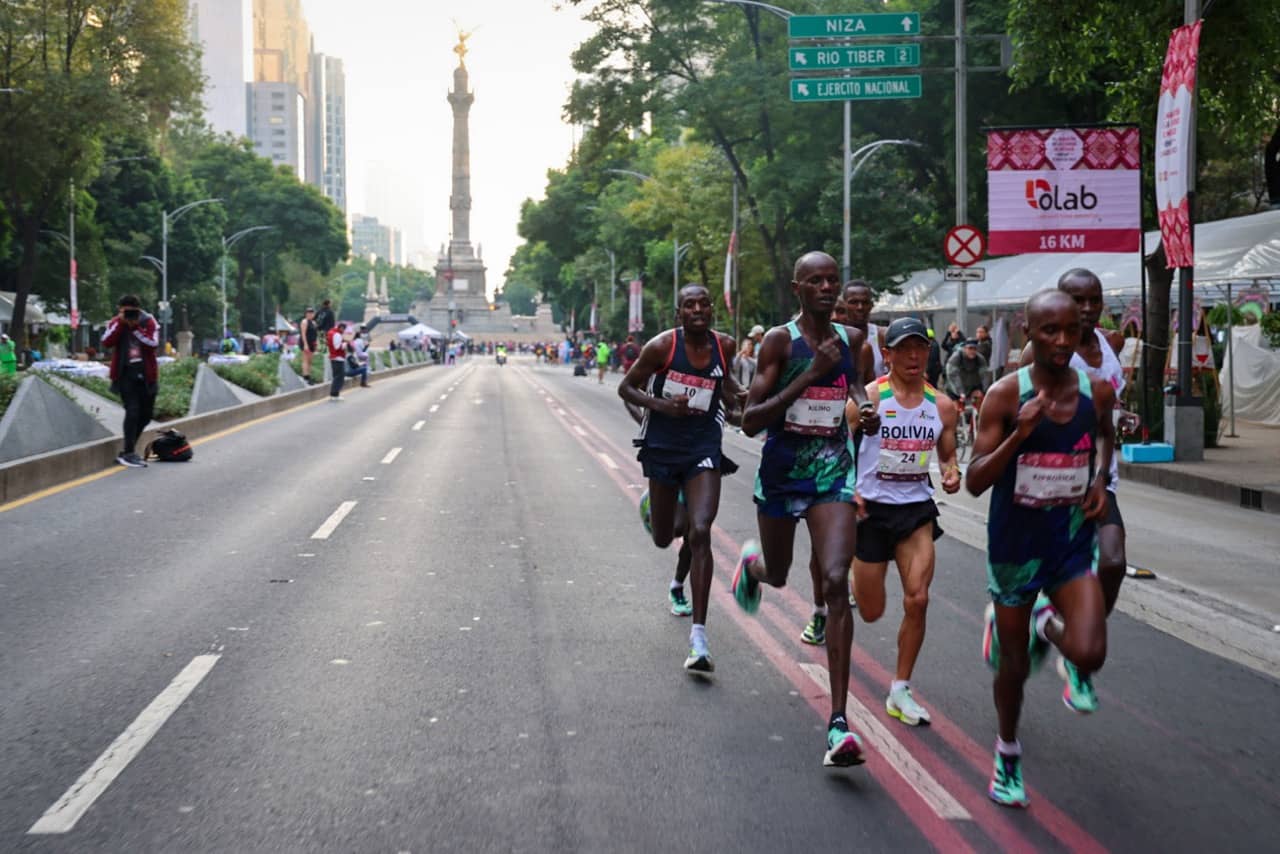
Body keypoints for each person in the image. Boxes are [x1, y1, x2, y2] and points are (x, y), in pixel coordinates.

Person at [965, 289, 1115, 808]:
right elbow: (975, 480)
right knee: (1014, 667)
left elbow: (1103, 437)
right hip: (1015, 547)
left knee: (1089, 651)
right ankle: (1007, 750)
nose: (1060, 341)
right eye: (1048, 331)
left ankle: (1043, 624)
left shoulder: (1097, 391)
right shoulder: (1006, 396)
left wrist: (1098, 480)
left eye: (1070, 331)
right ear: (1028, 332)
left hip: (1070, 541)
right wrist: (1019, 435)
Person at [732, 251, 878, 767]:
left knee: (836, 580)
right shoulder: (779, 341)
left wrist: (867, 405)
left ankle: (839, 722)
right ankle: (754, 567)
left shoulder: (854, 340)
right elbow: (751, 420)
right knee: (778, 574)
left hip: (831, 471)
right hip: (782, 468)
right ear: (797, 288)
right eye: (814, 280)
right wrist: (808, 375)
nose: (824, 287)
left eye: (831, 280)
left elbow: (856, 385)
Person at [1019, 268, 1137, 713]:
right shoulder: (1039, 348)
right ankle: (1051, 628)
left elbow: (1108, 410)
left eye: (1094, 300)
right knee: (1038, 577)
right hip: (1049, 484)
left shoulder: (1112, 343)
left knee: (1113, 562)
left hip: (1096, 482)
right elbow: (1024, 405)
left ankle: (1074, 644)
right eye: (1077, 299)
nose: (1086, 309)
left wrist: (1104, 465)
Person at [620, 284, 744, 673]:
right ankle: (658, 510)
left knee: (701, 529)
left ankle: (699, 637)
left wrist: (742, 397)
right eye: (689, 305)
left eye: (703, 304)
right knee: (665, 536)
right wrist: (661, 408)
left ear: (710, 310)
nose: (697, 310)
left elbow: (725, 388)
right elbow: (627, 387)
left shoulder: (724, 344)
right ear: (679, 313)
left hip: (703, 445)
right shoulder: (661, 347)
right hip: (662, 446)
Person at [852, 318, 961, 726]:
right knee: (870, 611)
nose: (915, 356)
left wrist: (951, 472)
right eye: (905, 348)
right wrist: (850, 490)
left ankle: (900, 688)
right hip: (871, 512)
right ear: (889, 354)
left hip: (915, 510)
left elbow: (948, 455)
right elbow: (838, 447)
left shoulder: (942, 406)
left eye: (921, 348)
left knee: (918, 599)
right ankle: (854, 573)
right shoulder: (869, 399)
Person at [800, 278, 883, 642]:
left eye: (866, 302)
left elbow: (870, 386)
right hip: (830, 443)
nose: (861, 307)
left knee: (858, 528)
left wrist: (868, 408)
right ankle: (821, 608)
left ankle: (843, 581)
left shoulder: (877, 341)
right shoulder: (833, 338)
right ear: (843, 305)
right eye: (854, 302)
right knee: (826, 532)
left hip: (875, 440)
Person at [101, 295, 159, 468]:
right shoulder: (116, 323)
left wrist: (135, 329)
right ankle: (128, 452)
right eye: (124, 311)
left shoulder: (149, 321)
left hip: (147, 374)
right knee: (132, 410)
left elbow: (153, 343)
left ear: (139, 309)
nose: (128, 314)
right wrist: (120, 323)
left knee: (146, 415)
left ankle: (129, 449)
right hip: (125, 373)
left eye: (131, 311)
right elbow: (106, 342)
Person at [327, 321, 348, 401]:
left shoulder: (331, 333)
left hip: (333, 357)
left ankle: (334, 394)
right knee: (340, 377)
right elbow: (337, 347)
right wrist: (345, 344)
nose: (343, 331)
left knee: (336, 376)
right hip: (338, 358)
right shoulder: (337, 334)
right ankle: (335, 394)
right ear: (341, 328)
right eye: (343, 329)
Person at [299, 307, 318, 382]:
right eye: (308, 313)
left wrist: (316, 344)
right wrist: (305, 344)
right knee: (305, 359)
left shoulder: (314, 323)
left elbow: (315, 334)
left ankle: (309, 375)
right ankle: (305, 376)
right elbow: (303, 334)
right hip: (305, 342)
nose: (310, 314)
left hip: (312, 343)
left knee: (310, 360)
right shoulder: (304, 321)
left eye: (312, 313)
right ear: (306, 314)